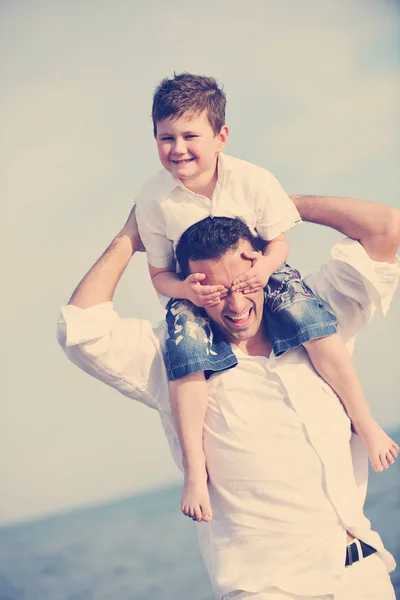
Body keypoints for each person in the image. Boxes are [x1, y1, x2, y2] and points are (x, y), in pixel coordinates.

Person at [57, 195, 400, 599]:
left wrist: (276, 203)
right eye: (217, 292)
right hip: (267, 588)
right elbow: (81, 330)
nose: (236, 306)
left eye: (243, 285)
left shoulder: (317, 314)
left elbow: (387, 231)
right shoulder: (172, 356)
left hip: (362, 573)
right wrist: (130, 236)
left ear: (260, 261)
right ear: (190, 289)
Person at [135, 72, 398, 522]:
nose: (177, 149)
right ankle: (196, 474)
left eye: (189, 136)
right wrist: (185, 291)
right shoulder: (154, 200)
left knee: (316, 328)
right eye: (166, 137)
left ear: (221, 137)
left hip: (262, 275)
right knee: (184, 364)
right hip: (198, 296)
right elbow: (159, 273)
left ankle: (365, 420)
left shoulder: (252, 180)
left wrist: (263, 270)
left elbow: (278, 243)